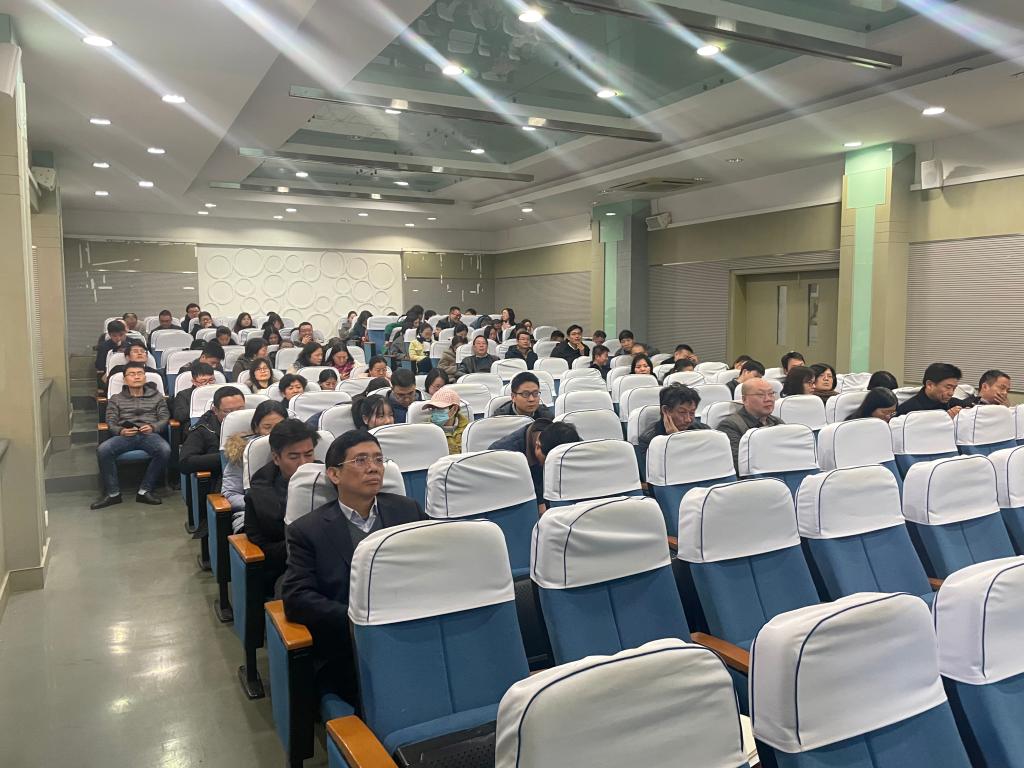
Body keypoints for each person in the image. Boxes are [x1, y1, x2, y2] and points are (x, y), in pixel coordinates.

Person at [281, 430, 426, 702]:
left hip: (413, 629)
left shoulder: (408, 511)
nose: (373, 468)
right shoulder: (308, 530)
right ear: (334, 475)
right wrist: (355, 620)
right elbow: (297, 598)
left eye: (378, 459)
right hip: (350, 646)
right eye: (360, 460)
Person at [245, 419, 320, 595]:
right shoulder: (259, 495)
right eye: (294, 457)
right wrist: (301, 544)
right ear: (276, 458)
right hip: (286, 570)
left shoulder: (330, 479)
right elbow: (261, 547)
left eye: (309, 454)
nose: (304, 463)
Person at [92, 361, 171, 509]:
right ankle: (113, 493)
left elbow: (164, 418)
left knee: (164, 450)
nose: (136, 377)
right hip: (125, 435)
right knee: (103, 450)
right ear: (125, 379)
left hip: (149, 435)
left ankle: (145, 490)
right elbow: (110, 421)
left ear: (145, 377)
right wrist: (120, 431)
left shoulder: (157, 397)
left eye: (140, 373)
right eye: (132, 374)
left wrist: (153, 427)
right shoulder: (116, 398)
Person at [223, 400, 289, 531]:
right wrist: (259, 505)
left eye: (280, 426)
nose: (274, 433)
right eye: (267, 427)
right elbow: (230, 493)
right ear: (256, 428)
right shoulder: (242, 451)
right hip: (251, 514)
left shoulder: (297, 449)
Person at [489, 420, 581, 505]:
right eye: (547, 463)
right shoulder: (502, 454)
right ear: (537, 446)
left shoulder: (569, 440)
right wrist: (539, 502)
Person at [179, 386, 246, 491]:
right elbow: (185, 462)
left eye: (240, 409)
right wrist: (225, 456)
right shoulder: (204, 429)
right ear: (215, 410)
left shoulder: (255, 423)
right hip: (222, 483)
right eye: (228, 411)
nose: (235, 415)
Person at [717, 377, 784, 470]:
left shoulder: (777, 422)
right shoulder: (730, 426)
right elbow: (739, 465)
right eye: (761, 395)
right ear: (744, 399)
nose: (768, 399)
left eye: (771, 394)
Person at [637, 384, 710, 468]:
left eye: (692, 413)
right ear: (666, 410)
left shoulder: (703, 431)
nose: (688, 419)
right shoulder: (649, 440)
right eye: (682, 412)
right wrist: (675, 439)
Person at [895, 363, 963, 418]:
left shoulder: (950, 402)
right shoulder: (908, 411)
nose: (951, 393)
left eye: (954, 388)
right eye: (948, 387)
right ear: (930, 385)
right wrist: (945, 418)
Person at [423, 386, 469, 453]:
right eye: (433, 408)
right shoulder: (427, 432)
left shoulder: (468, 429)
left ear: (454, 409)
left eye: (439, 408)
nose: (435, 412)